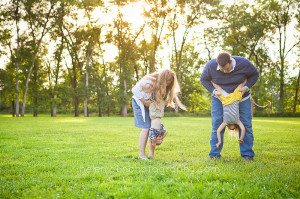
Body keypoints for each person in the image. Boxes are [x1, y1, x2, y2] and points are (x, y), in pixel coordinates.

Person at [200, 52, 259, 161]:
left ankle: (247, 155)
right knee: (216, 125)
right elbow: (203, 79)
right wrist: (213, 91)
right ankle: (214, 155)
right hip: (220, 98)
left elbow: (255, 74)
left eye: (227, 69)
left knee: (246, 124)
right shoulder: (210, 66)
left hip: (242, 98)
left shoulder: (244, 63)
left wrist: (246, 87)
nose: (225, 72)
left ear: (230, 61)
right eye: (222, 70)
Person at [132, 69, 186, 160]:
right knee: (146, 129)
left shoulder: (168, 86)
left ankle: (151, 154)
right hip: (140, 102)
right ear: (162, 78)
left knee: (153, 129)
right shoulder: (149, 80)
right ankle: (141, 155)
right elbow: (134, 89)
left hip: (152, 105)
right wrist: (144, 101)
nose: (167, 84)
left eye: (169, 83)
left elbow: (164, 100)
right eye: (166, 82)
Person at [211, 80, 247, 149]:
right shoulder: (237, 121)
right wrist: (241, 138)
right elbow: (243, 129)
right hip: (235, 99)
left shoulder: (226, 122)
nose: (232, 129)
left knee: (218, 88)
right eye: (234, 130)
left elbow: (218, 131)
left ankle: (212, 81)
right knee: (241, 84)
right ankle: (246, 78)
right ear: (235, 127)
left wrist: (219, 141)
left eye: (231, 130)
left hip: (225, 99)